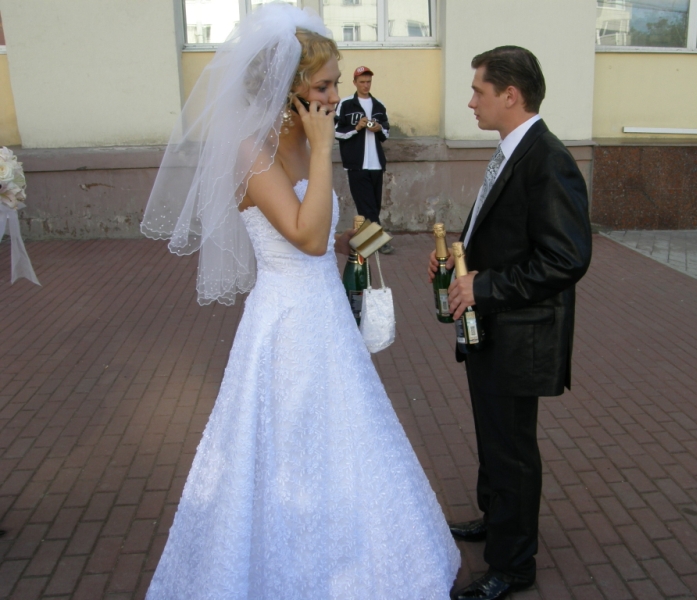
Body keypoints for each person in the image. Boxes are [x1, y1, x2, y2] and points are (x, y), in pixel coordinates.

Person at [142, 4, 459, 598]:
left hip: (325, 312)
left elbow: (315, 236)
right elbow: (304, 238)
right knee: (289, 449)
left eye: (336, 84)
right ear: (287, 91)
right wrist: (320, 151)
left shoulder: (302, 139)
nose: (336, 96)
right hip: (287, 324)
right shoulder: (252, 151)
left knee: (346, 438)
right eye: (324, 86)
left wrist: (350, 240)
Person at [427, 46, 592, 600]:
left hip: (521, 336)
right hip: (493, 329)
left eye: (479, 91)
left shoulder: (548, 159)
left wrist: (485, 286)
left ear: (510, 95)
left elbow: (567, 258)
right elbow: (497, 234)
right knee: (494, 438)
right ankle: (496, 518)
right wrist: (455, 261)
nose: (471, 101)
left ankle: (514, 565)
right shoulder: (511, 150)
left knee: (513, 451)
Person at [335, 65, 395, 254]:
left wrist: (378, 128)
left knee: (373, 205)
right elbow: (337, 132)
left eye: (368, 82)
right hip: (356, 164)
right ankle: (379, 241)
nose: (366, 85)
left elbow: (386, 132)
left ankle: (365, 239)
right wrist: (357, 128)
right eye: (362, 82)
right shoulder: (345, 104)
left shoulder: (379, 105)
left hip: (376, 163)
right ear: (355, 83)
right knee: (366, 204)